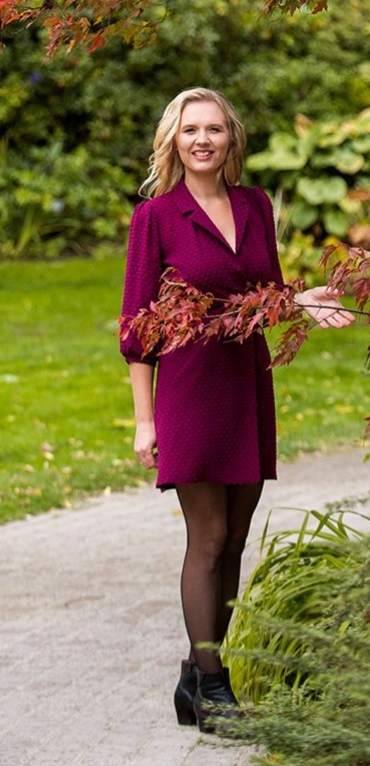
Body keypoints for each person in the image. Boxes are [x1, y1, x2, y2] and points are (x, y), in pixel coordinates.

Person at [119, 87, 354, 733]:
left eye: (214, 128)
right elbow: (137, 328)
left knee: (238, 537)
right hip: (190, 386)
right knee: (211, 535)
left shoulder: (254, 204)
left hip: (247, 382)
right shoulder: (157, 218)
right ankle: (215, 683)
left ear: (230, 139)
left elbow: (264, 296)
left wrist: (298, 301)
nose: (202, 139)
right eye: (190, 129)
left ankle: (196, 676)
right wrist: (146, 420)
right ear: (174, 139)